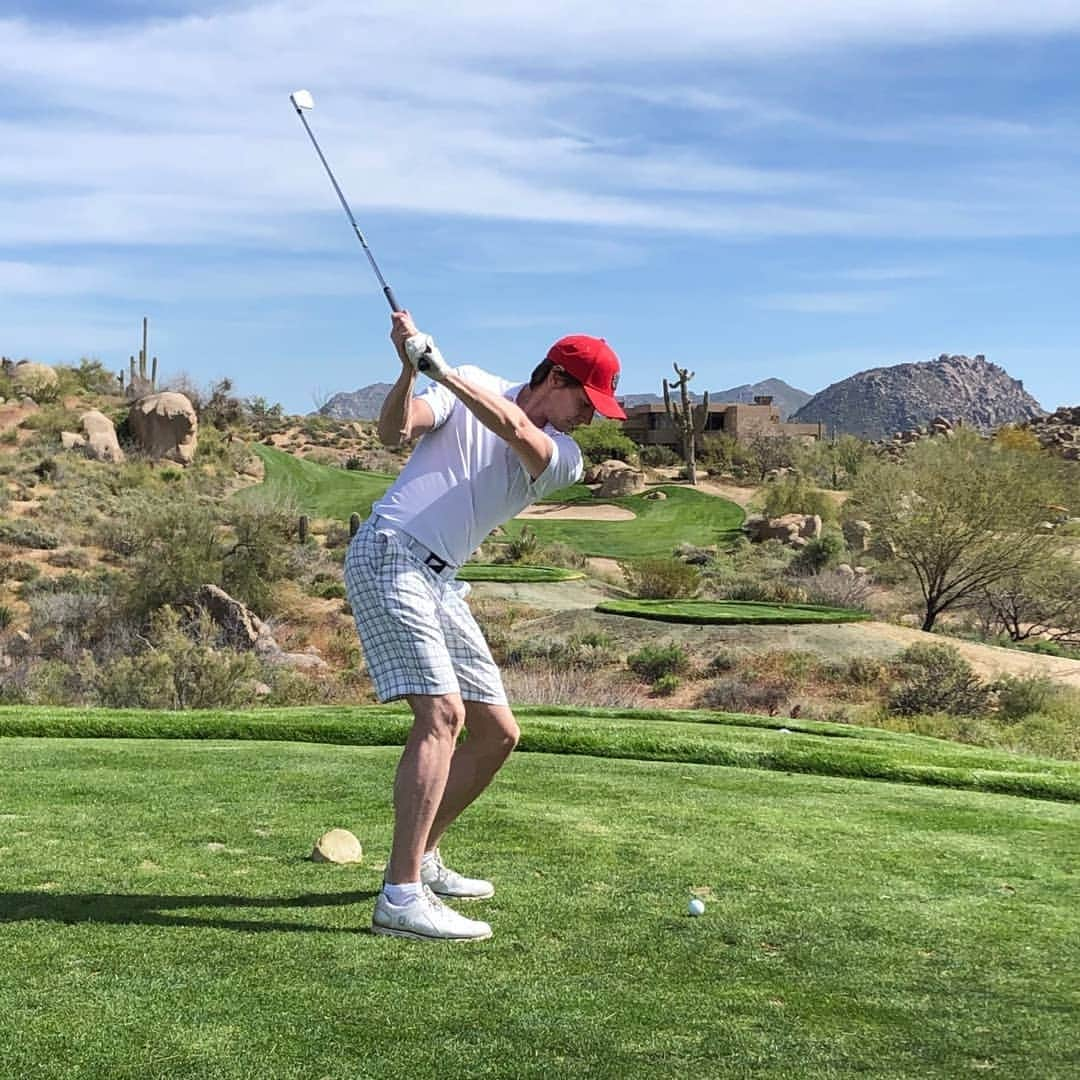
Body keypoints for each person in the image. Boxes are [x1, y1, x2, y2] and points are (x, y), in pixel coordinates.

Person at [344, 311, 625, 942]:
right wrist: (406, 372)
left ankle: (423, 858)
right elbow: (395, 431)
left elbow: (515, 426)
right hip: (390, 551)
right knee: (443, 715)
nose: (591, 417)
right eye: (588, 400)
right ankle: (401, 895)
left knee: (497, 732)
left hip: (440, 581)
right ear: (556, 375)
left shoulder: (566, 458)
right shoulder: (469, 380)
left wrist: (438, 368)